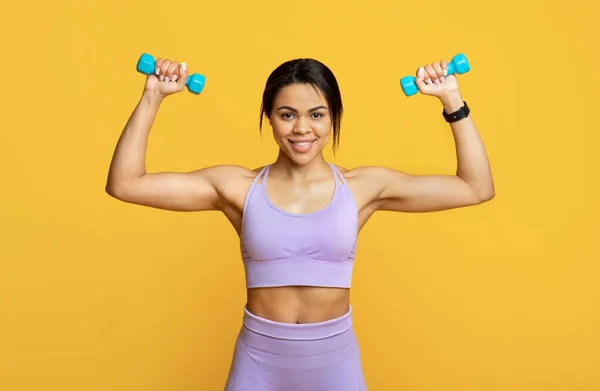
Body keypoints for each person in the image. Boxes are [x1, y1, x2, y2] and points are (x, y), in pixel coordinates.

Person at [106, 55, 494, 390]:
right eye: (287, 114)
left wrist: (451, 99)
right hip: (259, 365)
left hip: (334, 365)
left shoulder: (361, 187)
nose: (302, 129)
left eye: (317, 115)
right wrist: (152, 96)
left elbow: (475, 187)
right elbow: (126, 184)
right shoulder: (238, 188)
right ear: (270, 119)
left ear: (333, 118)